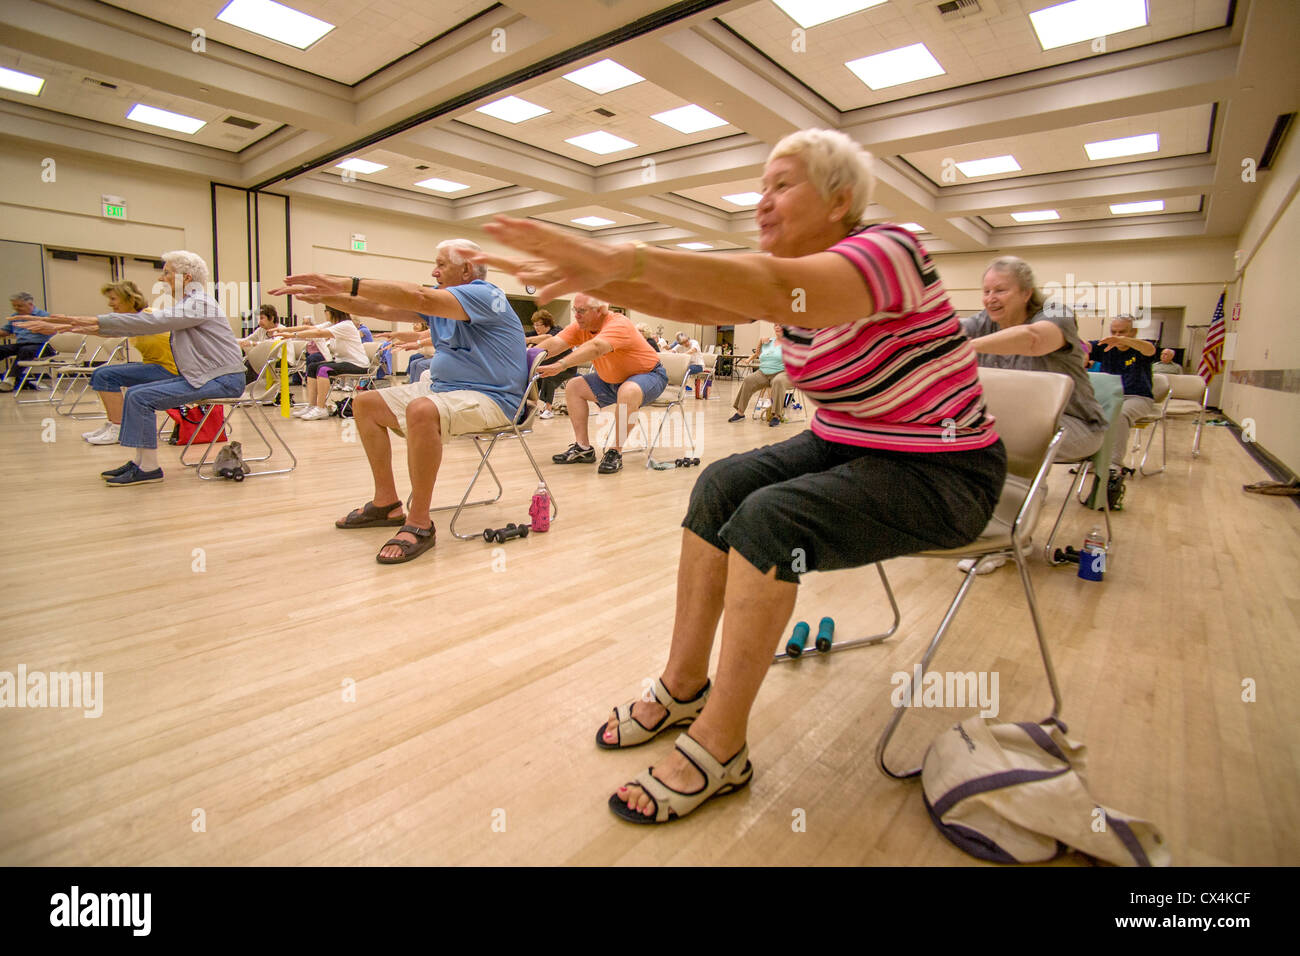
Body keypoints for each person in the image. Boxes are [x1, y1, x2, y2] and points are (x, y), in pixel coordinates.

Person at [475, 127, 1004, 824]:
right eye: (761, 186)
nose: (763, 201)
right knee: (719, 484)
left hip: (946, 473)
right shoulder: (786, 283)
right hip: (849, 444)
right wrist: (605, 280)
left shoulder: (890, 251)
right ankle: (684, 682)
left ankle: (722, 746)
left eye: (783, 184)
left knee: (769, 518)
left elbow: (770, 284)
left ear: (841, 199)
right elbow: (709, 304)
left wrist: (618, 255)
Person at [270, 238, 526, 564]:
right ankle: (387, 503)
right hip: (445, 389)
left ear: (466, 269)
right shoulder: (444, 304)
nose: (434, 271)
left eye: (441, 265)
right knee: (366, 404)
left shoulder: (485, 295)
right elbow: (379, 308)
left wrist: (343, 282)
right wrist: (329, 296)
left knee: (422, 410)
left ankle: (419, 521)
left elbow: (417, 295)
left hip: (493, 399)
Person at [16, 251, 245, 485]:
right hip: (208, 377)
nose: (161, 278)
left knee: (141, 397)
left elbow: (150, 323)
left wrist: (73, 321)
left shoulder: (199, 303)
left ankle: (148, 467)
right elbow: (141, 325)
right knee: (136, 395)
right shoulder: (190, 303)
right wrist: (69, 326)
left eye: (166, 272)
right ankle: (140, 462)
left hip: (223, 380)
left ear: (186, 278)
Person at [958, 256, 1107, 573]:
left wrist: (963, 349)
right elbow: (943, 333)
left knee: (999, 439)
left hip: (1077, 427)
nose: (990, 299)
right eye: (986, 291)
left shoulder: (1055, 313)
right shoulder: (982, 322)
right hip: (1019, 430)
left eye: (1000, 290)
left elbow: (1033, 340)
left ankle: (1009, 540)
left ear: (1026, 292)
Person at [531, 294, 668, 475]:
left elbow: (596, 347)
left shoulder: (619, 323)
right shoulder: (582, 326)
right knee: (574, 387)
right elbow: (556, 343)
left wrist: (561, 364)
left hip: (649, 376)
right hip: (612, 380)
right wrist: (527, 359)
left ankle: (615, 451)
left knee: (627, 390)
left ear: (601, 311)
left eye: (581, 311)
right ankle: (583, 448)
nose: (576, 316)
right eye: (575, 310)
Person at [81, 280, 179, 445]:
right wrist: (66, 326)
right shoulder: (132, 320)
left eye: (114, 299)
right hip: (155, 366)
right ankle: (114, 423)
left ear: (129, 299)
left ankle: (119, 427)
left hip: (170, 371)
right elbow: (106, 331)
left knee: (105, 375)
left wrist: (68, 325)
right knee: (101, 373)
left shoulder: (147, 316)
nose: (110, 303)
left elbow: (105, 328)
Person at [273, 306, 369, 419]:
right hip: (343, 362)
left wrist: (292, 335)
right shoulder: (333, 324)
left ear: (332, 312)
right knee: (312, 367)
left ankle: (321, 408)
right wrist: (284, 330)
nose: (324, 313)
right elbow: (309, 328)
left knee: (324, 369)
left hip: (358, 364)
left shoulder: (345, 325)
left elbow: (318, 333)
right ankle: (312, 405)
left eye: (325, 311)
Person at [1089, 314, 1158, 472]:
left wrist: (1123, 341)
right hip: (1110, 397)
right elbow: (1086, 346)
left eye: (1122, 332)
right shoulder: (1106, 346)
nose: (1117, 336)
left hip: (1138, 397)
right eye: (1113, 332)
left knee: (1119, 414)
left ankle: (1113, 464)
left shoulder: (1141, 346)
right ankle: (1092, 459)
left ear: (1134, 331)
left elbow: (1150, 349)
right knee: (1088, 412)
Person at [728, 334, 792, 427]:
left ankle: (777, 416)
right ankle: (740, 413)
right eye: (776, 325)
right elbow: (757, 354)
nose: (778, 327)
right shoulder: (769, 341)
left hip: (782, 372)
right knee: (748, 380)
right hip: (763, 372)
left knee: (778, 381)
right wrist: (760, 342)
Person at [524, 309, 574, 419]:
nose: (536, 328)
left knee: (549, 378)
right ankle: (533, 407)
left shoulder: (557, 330)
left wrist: (528, 340)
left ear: (547, 325)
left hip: (567, 367)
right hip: (550, 367)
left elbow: (549, 338)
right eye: (534, 325)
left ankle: (548, 409)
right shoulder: (536, 333)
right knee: (535, 378)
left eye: (538, 325)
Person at [0, 293, 52, 392]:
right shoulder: (15, 316)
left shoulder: (43, 315)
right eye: (14, 305)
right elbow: (6, 331)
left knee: (26, 350)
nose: (16, 308)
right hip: (21, 344)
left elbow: (52, 331)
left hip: (42, 345)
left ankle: (11, 380)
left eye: (19, 305)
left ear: (30, 304)